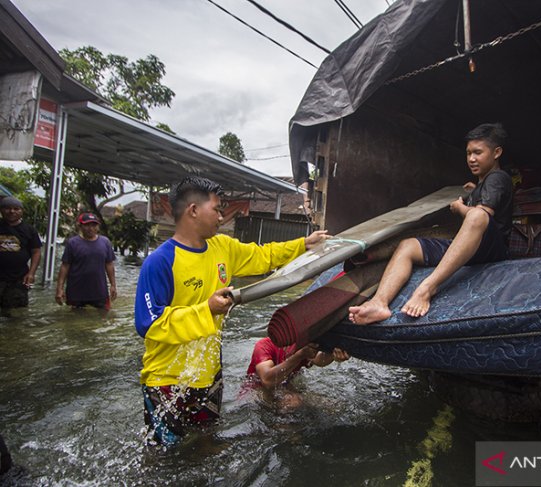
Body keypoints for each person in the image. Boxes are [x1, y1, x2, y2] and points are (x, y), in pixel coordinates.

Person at [134, 176, 328, 446]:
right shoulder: (160, 262)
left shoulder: (222, 247)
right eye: (216, 209)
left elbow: (263, 255)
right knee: (163, 457)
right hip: (167, 380)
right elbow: (149, 324)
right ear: (193, 210)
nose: (222, 215)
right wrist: (207, 310)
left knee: (207, 444)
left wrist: (302, 245)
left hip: (210, 375)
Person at [349, 123, 513, 324]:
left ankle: (427, 288)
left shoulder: (498, 177)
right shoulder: (484, 183)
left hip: (493, 250)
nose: (471, 159)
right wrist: (474, 191)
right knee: (408, 245)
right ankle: (379, 303)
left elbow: (482, 215)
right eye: (468, 153)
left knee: (477, 215)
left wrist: (459, 208)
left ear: (497, 152)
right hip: (473, 248)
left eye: (478, 153)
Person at [246, 338, 349, 408]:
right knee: (293, 401)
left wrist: (333, 354)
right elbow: (267, 380)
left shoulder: (304, 344)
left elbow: (319, 360)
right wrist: (299, 356)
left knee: (333, 406)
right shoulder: (264, 345)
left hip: (284, 386)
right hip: (256, 391)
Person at [55, 212, 117, 310]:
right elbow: (65, 266)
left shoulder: (105, 242)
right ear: (80, 226)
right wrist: (59, 288)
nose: (91, 228)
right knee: (75, 320)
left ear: (98, 227)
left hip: (99, 291)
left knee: (103, 319)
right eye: (87, 225)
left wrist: (113, 285)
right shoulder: (73, 243)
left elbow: (109, 264)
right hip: (76, 292)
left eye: (94, 225)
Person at [0, 197, 41, 315]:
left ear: (21, 211)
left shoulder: (29, 230)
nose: (12, 211)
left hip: (18, 278)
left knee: (16, 313)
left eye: (16, 209)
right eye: (7, 208)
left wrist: (31, 273)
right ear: (2, 210)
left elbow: (36, 252)